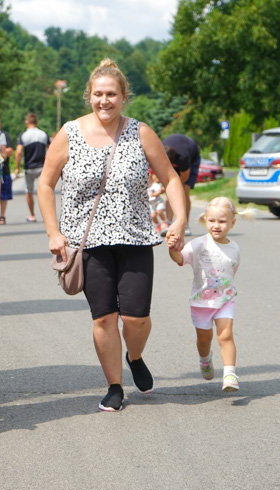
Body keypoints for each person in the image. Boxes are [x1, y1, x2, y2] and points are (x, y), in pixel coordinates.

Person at [38, 58, 186, 412]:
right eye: (98, 94)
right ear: (89, 95)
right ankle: (114, 385)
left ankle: (134, 356)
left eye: (112, 95)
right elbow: (45, 183)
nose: (105, 101)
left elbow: (171, 179)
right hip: (87, 243)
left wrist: (179, 219)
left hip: (134, 238)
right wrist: (53, 233)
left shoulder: (140, 132)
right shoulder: (69, 133)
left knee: (136, 317)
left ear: (124, 97)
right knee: (103, 316)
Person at [167, 197, 255, 392]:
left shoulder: (234, 248)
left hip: (225, 299)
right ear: (204, 220)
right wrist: (173, 249)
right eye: (212, 221)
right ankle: (205, 360)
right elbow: (180, 259)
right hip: (201, 302)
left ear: (232, 223)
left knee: (226, 335)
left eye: (222, 222)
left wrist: (226, 292)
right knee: (204, 339)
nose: (216, 226)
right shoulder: (198, 244)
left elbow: (232, 273)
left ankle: (230, 374)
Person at [162, 133, 201, 235]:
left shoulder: (183, 156)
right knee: (169, 192)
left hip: (192, 160)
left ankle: (185, 225)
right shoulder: (159, 152)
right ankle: (169, 224)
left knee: (184, 190)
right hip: (173, 154)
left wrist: (175, 187)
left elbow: (184, 177)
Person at [14, 113, 50, 222]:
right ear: (36, 122)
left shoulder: (23, 135)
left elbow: (19, 152)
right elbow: (52, 150)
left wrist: (17, 167)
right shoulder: (43, 134)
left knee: (29, 191)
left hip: (29, 167)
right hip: (42, 167)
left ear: (26, 122)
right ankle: (47, 216)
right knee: (44, 191)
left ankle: (32, 215)